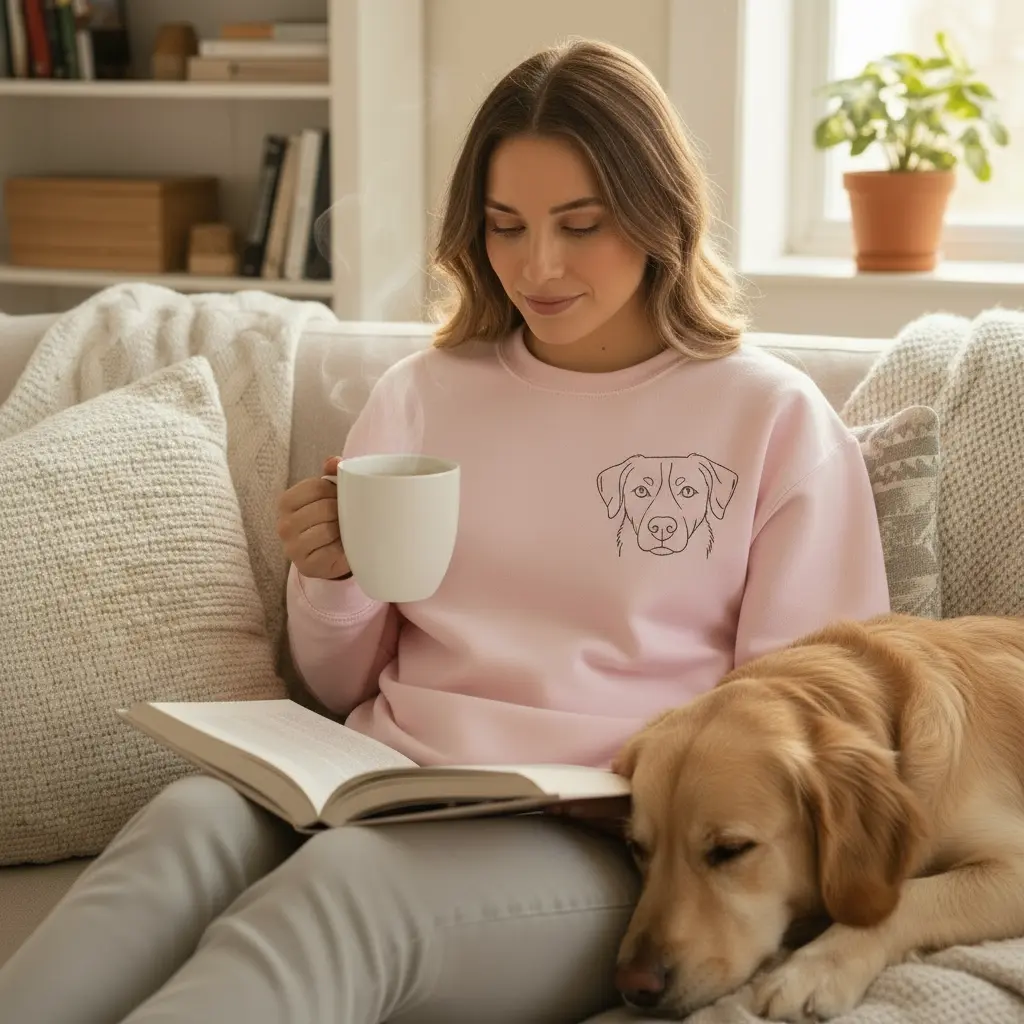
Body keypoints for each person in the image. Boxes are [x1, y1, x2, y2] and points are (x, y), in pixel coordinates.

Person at [0, 38, 890, 1024]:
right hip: (381, 779)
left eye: (580, 224)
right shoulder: (422, 393)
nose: (537, 265)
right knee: (188, 820)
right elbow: (342, 684)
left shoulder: (771, 418)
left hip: (614, 837)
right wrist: (332, 578)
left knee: (342, 894)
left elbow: (808, 717)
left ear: (658, 216)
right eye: (506, 226)